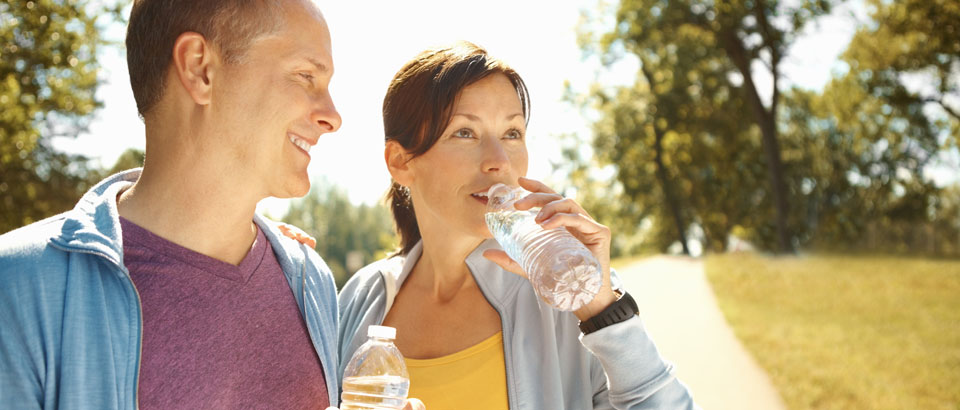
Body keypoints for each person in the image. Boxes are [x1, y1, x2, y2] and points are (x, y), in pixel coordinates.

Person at [0, 1, 416, 409]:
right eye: (305, 75)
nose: (333, 116)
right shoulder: (20, 290)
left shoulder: (310, 281)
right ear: (200, 68)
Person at [338, 41, 699, 409]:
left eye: (512, 133)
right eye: (465, 132)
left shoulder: (566, 292)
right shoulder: (359, 299)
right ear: (400, 161)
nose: (499, 161)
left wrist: (604, 313)